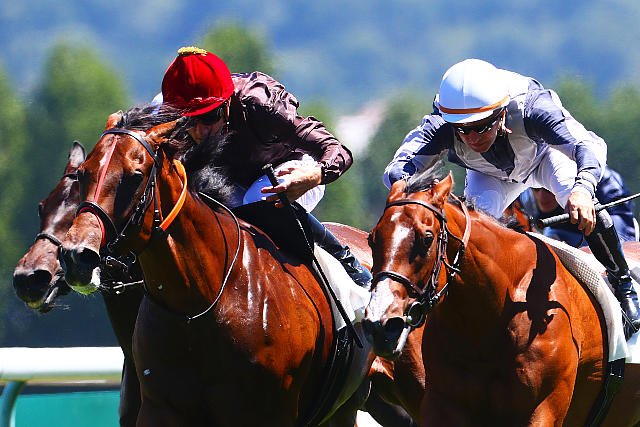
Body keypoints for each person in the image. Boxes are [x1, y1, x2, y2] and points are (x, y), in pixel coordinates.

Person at [383, 58, 640, 338]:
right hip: (488, 175)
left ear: (502, 113)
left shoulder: (533, 108)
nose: (472, 137)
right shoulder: (441, 124)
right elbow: (398, 169)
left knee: (584, 204)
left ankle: (623, 285)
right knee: (469, 233)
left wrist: (583, 188)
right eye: (463, 129)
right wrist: (409, 186)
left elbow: (588, 144)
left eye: (482, 126)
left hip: (545, 158)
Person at [160, 46, 371, 289]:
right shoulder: (168, 119)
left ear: (227, 103)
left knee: (259, 200)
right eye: (189, 120)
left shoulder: (262, 105)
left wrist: (314, 175)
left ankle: (348, 263)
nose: (200, 131)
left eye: (209, 117)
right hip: (234, 181)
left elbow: (338, 150)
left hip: (291, 169)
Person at [517, 166, 637, 247]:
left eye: (549, 189)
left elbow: (621, 227)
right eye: (536, 189)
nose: (542, 197)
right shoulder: (523, 193)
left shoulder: (605, 182)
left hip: (607, 231)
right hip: (560, 234)